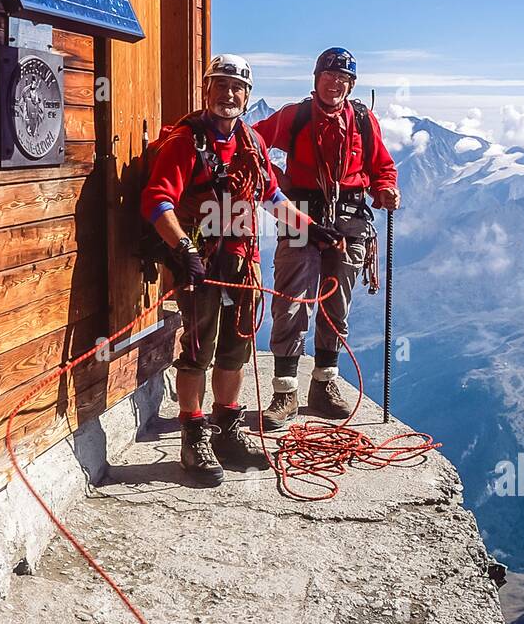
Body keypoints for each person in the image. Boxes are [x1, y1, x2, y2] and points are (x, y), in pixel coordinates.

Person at [141, 54, 343, 486]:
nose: (228, 94)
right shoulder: (186, 141)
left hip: (242, 262)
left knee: (235, 349)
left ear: (247, 96)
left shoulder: (250, 142)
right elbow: (157, 199)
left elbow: (273, 200)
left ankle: (228, 428)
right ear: (207, 89)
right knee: (197, 348)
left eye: (237, 88)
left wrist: (314, 231)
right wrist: (183, 249)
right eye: (221, 86)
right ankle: (194, 435)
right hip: (202, 261)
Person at [252, 47, 400, 427]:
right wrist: (277, 181)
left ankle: (323, 386)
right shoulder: (295, 116)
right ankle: (285, 392)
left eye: (343, 79)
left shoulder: (363, 121)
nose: (335, 84)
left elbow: (381, 165)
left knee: (336, 308)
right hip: (302, 219)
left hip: (350, 222)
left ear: (351, 85)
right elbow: (252, 144)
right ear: (316, 79)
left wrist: (385, 188)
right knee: (291, 303)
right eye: (329, 76)